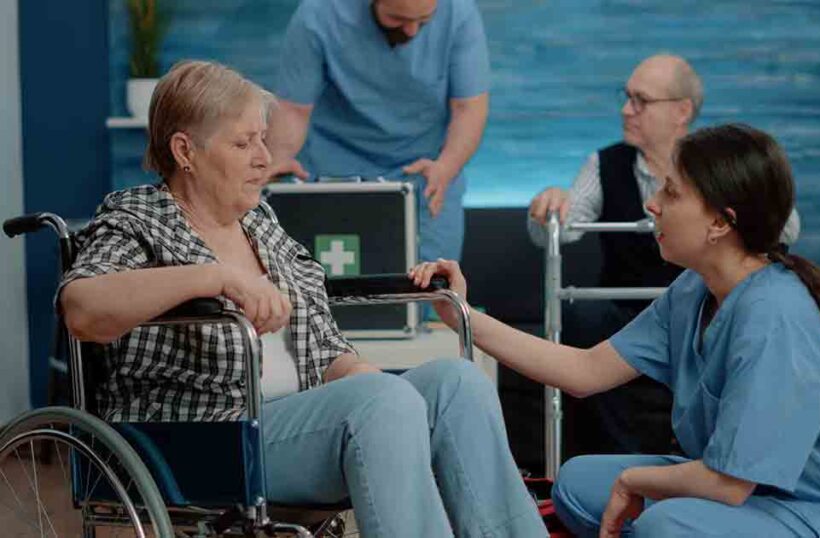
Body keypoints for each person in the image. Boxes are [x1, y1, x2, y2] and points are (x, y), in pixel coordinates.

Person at [58, 61, 544, 538]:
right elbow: (82, 308)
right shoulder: (139, 216)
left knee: (456, 381)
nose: (264, 158)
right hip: (203, 439)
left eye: (263, 140)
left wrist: (372, 382)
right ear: (185, 150)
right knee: (381, 402)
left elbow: (326, 349)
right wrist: (212, 277)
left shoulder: (261, 223)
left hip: (301, 421)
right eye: (243, 143)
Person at [411, 124, 820, 537]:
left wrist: (633, 481)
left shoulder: (775, 315)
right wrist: (462, 314)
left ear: (719, 223)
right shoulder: (693, 290)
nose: (653, 204)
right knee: (575, 483)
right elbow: (583, 370)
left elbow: (731, 484)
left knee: (664, 524)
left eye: (670, 192)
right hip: (750, 495)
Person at [525, 55, 800, 457]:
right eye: (626, 97)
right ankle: (623, 459)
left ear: (682, 111)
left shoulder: (719, 166)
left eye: (641, 100)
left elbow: (784, 226)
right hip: (629, 318)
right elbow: (554, 232)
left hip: (704, 313)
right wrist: (549, 208)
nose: (626, 110)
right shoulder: (605, 164)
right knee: (586, 318)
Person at [266, 0, 490, 265]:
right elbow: (293, 108)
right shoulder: (319, 14)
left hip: (426, 171)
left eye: (424, 21)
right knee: (319, 281)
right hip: (332, 165)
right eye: (397, 19)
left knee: (433, 283)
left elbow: (468, 108)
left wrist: (446, 167)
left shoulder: (459, 14)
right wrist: (277, 159)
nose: (412, 32)